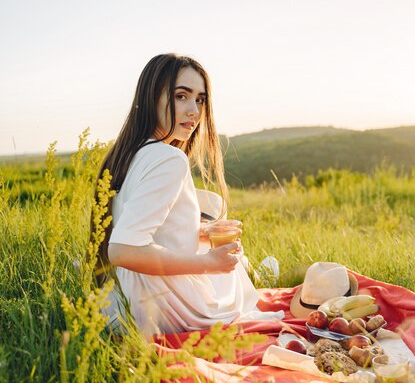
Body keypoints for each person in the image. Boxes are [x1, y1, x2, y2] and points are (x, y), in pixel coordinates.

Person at [93, 53, 283, 335]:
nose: (194, 110)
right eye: (181, 96)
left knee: (214, 236)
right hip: (164, 307)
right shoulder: (169, 158)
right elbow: (123, 249)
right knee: (230, 270)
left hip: (132, 298)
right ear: (151, 97)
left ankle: (250, 269)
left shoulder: (131, 152)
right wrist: (207, 264)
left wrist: (201, 232)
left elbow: (145, 230)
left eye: (200, 100)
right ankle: (258, 273)